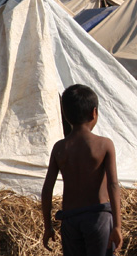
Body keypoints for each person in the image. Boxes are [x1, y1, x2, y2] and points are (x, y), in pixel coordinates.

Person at [41, 85, 122, 256]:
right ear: (94, 113)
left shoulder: (59, 148)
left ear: (65, 115)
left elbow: (47, 189)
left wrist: (48, 226)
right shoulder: (104, 145)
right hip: (98, 217)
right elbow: (113, 185)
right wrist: (117, 226)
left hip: (69, 220)